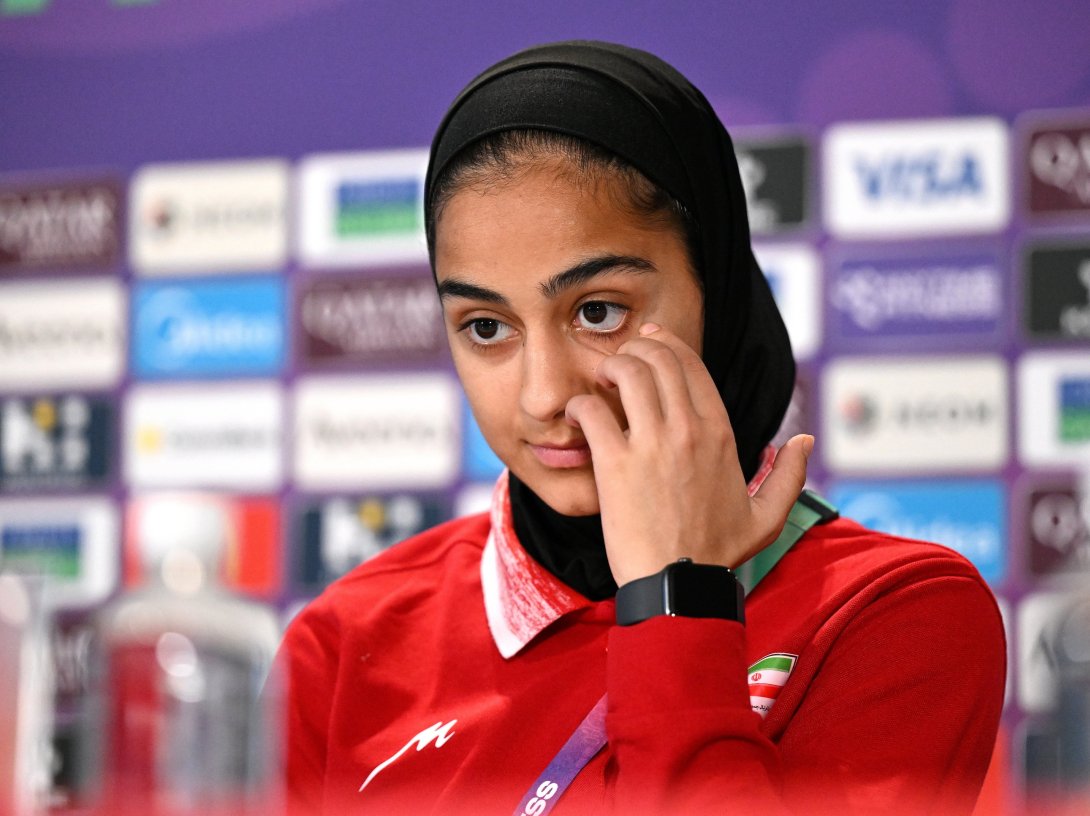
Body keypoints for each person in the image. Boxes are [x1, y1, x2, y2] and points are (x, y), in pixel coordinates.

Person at [279, 40, 1005, 815]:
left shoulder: (897, 613)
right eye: (487, 327)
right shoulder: (343, 643)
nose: (543, 395)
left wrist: (674, 596)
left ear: (715, 290)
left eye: (598, 312)